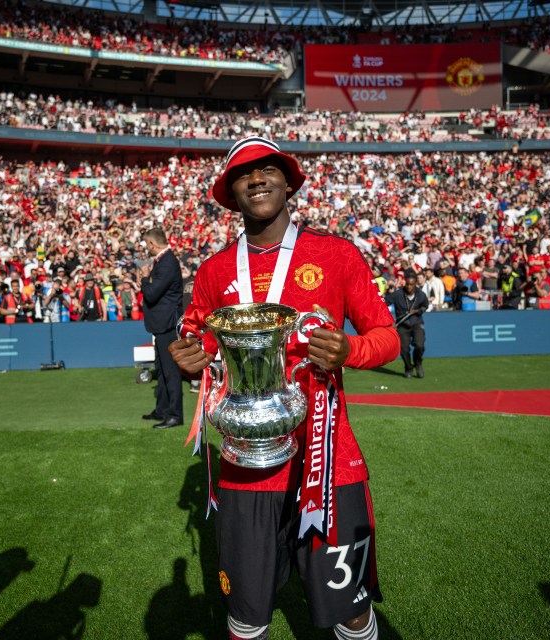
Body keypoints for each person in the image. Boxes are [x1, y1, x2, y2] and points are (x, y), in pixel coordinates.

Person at [168, 136, 400, 640]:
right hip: (246, 466)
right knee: (246, 617)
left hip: (329, 460)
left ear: (288, 180)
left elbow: (387, 338)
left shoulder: (335, 255)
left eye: (267, 169)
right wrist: (189, 359)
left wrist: (350, 351)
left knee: (353, 612)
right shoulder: (214, 271)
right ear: (231, 192)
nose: (256, 179)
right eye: (243, 174)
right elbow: (197, 342)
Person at [140, 227, 184, 429]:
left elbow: (152, 293)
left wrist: (144, 278)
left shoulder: (167, 262)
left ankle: (175, 414)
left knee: (170, 371)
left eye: (146, 244)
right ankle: (163, 409)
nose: (146, 248)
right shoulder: (164, 261)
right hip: (161, 324)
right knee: (161, 369)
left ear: (152, 244)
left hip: (167, 324)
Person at [387, 271, 429, 377]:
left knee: (420, 346)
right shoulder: (398, 294)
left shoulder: (421, 294)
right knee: (403, 349)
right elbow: (383, 304)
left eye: (412, 285)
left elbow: (425, 305)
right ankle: (408, 367)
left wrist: (417, 311)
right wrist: (390, 322)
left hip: (417, 324)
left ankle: (418, 364)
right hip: (402, 325)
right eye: (407, 284)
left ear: (415, 284)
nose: (409, 287)